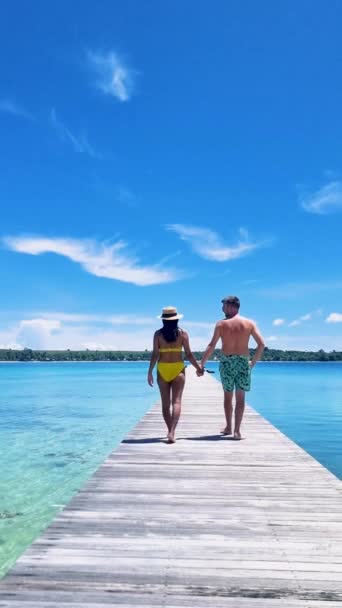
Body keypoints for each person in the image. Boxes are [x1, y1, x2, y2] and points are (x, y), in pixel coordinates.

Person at [199, 296, 265, 440]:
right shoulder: (249, 323)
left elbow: (212, 345)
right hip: (243, 362)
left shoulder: (221, 324)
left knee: (228, 396)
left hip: (227, 362)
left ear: (231, 306)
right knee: (240, 398)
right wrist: (252, 363)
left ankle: (229, 427)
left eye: (224, 306)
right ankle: (236, 431)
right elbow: (261, 345)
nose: (222, 309)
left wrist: (202, 364)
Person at [148, 306, 203, 443]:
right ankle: (172, 431)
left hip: (162, 368)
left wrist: (149, 372)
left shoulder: (158, 334)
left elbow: (155, 354)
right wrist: (198, 368)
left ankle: (169, 431)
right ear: (176, 319)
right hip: (178, 368)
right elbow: (189, 355)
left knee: (165, 404)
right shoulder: (183, 333)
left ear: (163, 320)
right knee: (177, 402)